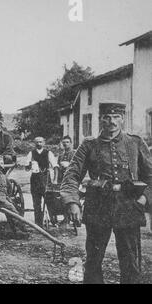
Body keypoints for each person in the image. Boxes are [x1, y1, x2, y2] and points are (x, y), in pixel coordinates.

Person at [61, 101, 152, 284]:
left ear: (123, 119)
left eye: (116, 117)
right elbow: (71, 175)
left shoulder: (135, 143)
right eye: (107, 117)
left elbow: (150, 175)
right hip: (98, 206)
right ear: (100, 119)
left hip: (129, 206)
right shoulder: (89, 145)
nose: (111, 121)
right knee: (94, 260)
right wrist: (73, 202)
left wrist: (143, 199)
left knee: (130, 261)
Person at [0, 155, 28, 239]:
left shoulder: (3, 175)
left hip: (4, 199)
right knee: (12, 209)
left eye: (2, 163)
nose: (0, 165)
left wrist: (7, 196)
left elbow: (9, 187)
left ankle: (16, 230)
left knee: (14, 209)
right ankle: (21, 227)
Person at [25, 137, 59, 226]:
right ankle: (38, 223)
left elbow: (55, 166)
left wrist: (55, 180)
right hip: (35, 178)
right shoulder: (31, 153)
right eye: (37, 142)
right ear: (34, 143)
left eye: (40, 142)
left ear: (44, 143)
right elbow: (27, 169)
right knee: (36, 202)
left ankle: (53, 221)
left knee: (50, 201)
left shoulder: (48, 153)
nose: (39, 144)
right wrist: (29, 165)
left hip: (45, 178)